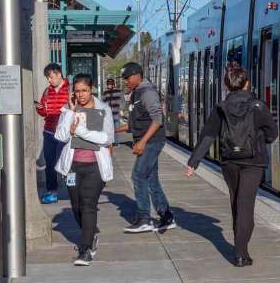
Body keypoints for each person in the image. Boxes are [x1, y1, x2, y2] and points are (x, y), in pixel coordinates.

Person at [185, 65, 277, 267]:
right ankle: (241, 253)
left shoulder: (220, 108)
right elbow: (272, 133)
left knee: (236, 203)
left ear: (226, 87)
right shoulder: (259, 107)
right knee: (246, 206)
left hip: (229, 161)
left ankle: (239, 250)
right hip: (254, 162)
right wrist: (261, 138)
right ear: (247, 84)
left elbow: (208, 135)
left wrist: (194, 162)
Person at [54, 74, 115, 265]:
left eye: (84, 90)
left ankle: (85, 249)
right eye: (77, 91)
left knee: (88, 204)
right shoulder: (68, 109)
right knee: (76, 206)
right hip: (73, 167)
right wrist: (70, 112)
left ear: (92, 89)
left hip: (95, 167)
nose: (80, 95)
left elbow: (106, 138)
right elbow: (61, 136)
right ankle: (90, 235)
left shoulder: (102, 109)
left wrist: (79, 131)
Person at [118, 62, 175, 233]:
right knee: (151, 179)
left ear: (137, 75)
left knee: (137, 176)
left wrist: (142, 141)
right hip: (147, 140)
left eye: (127, 78)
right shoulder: (136, 94)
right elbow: (134, 124)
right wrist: (111, 130)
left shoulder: (147, 92)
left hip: (152, 141)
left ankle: (144, 218)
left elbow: (158, 119)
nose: (125, 81)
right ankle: (166, 216)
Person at [35, 63, 70, 204]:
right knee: (50, 163)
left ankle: (73, 190)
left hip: (66, 134)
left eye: (50, 77)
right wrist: (40, 108)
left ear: (58, 74)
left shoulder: (71, 89)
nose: (49, 80)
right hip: (49, 132)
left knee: (69, 162)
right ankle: (52, 191)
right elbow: (44, 111)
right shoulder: (47, 92)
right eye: (47, 78)